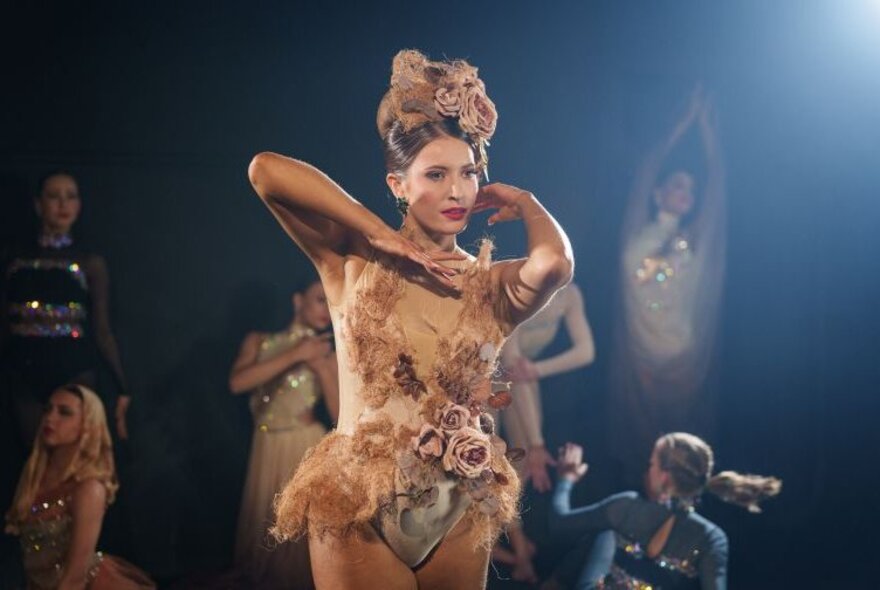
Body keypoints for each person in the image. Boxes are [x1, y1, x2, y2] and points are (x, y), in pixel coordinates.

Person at [247, 49, 573, 589]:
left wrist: (526, 201)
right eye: (436, 174)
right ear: (398, 185)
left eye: (469, 174)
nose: (456, 191)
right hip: (356, 500)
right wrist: (376, 231)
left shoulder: (491, 286)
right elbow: (265, 171)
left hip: (458, 503)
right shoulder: (352, 261)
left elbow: (555, 265)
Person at [609, 88, 726, 482]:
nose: (686, 194)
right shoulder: (638, 236)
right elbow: (647, 171)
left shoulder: (692, 241)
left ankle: (679, 481)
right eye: (677, 185)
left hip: (683, 352)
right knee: (642, 429)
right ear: (658, 194)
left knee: (679, 428)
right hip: (642, 349)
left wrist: (709, 136)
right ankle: (645, 480)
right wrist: (682, 125)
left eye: (690, 190)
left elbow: (716, 200)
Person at [1, 172, 132, 451]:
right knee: (32, 459)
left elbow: (102, 330)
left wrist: (122, 387)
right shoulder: (14, 259)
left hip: (74, 369)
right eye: (54, 196)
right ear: (38, 204)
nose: (63, 204)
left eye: (70, 197)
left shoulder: (89, 262)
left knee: (71, 459)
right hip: (23, 369)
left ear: (79, 205)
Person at [546, 436, 781, 590]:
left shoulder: (626, 506)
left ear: (664, 477)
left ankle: (552, 583)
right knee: (606, 528)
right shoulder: (712, 538)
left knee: (605, 531)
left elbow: (559, 522)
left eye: (651, 465)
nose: (647, 470)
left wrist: (566, 480)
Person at [230, 277, 339, 590]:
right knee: (266, 528)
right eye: (319, 299)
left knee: (300, 536)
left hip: (303, 444)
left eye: (329, 302)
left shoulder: (326, 353)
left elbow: (339, 416)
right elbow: (237, 383)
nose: (325, 309)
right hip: (267, 443)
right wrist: (295, 354)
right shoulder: (260, 341)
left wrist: (321, 367)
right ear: (298, 301)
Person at [4, 384, 154, 590]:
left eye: (64, 412)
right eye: (48, 409)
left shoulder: (88, 488)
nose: (50, 418)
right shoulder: (32, 478)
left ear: (87, 424)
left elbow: (75, 577)